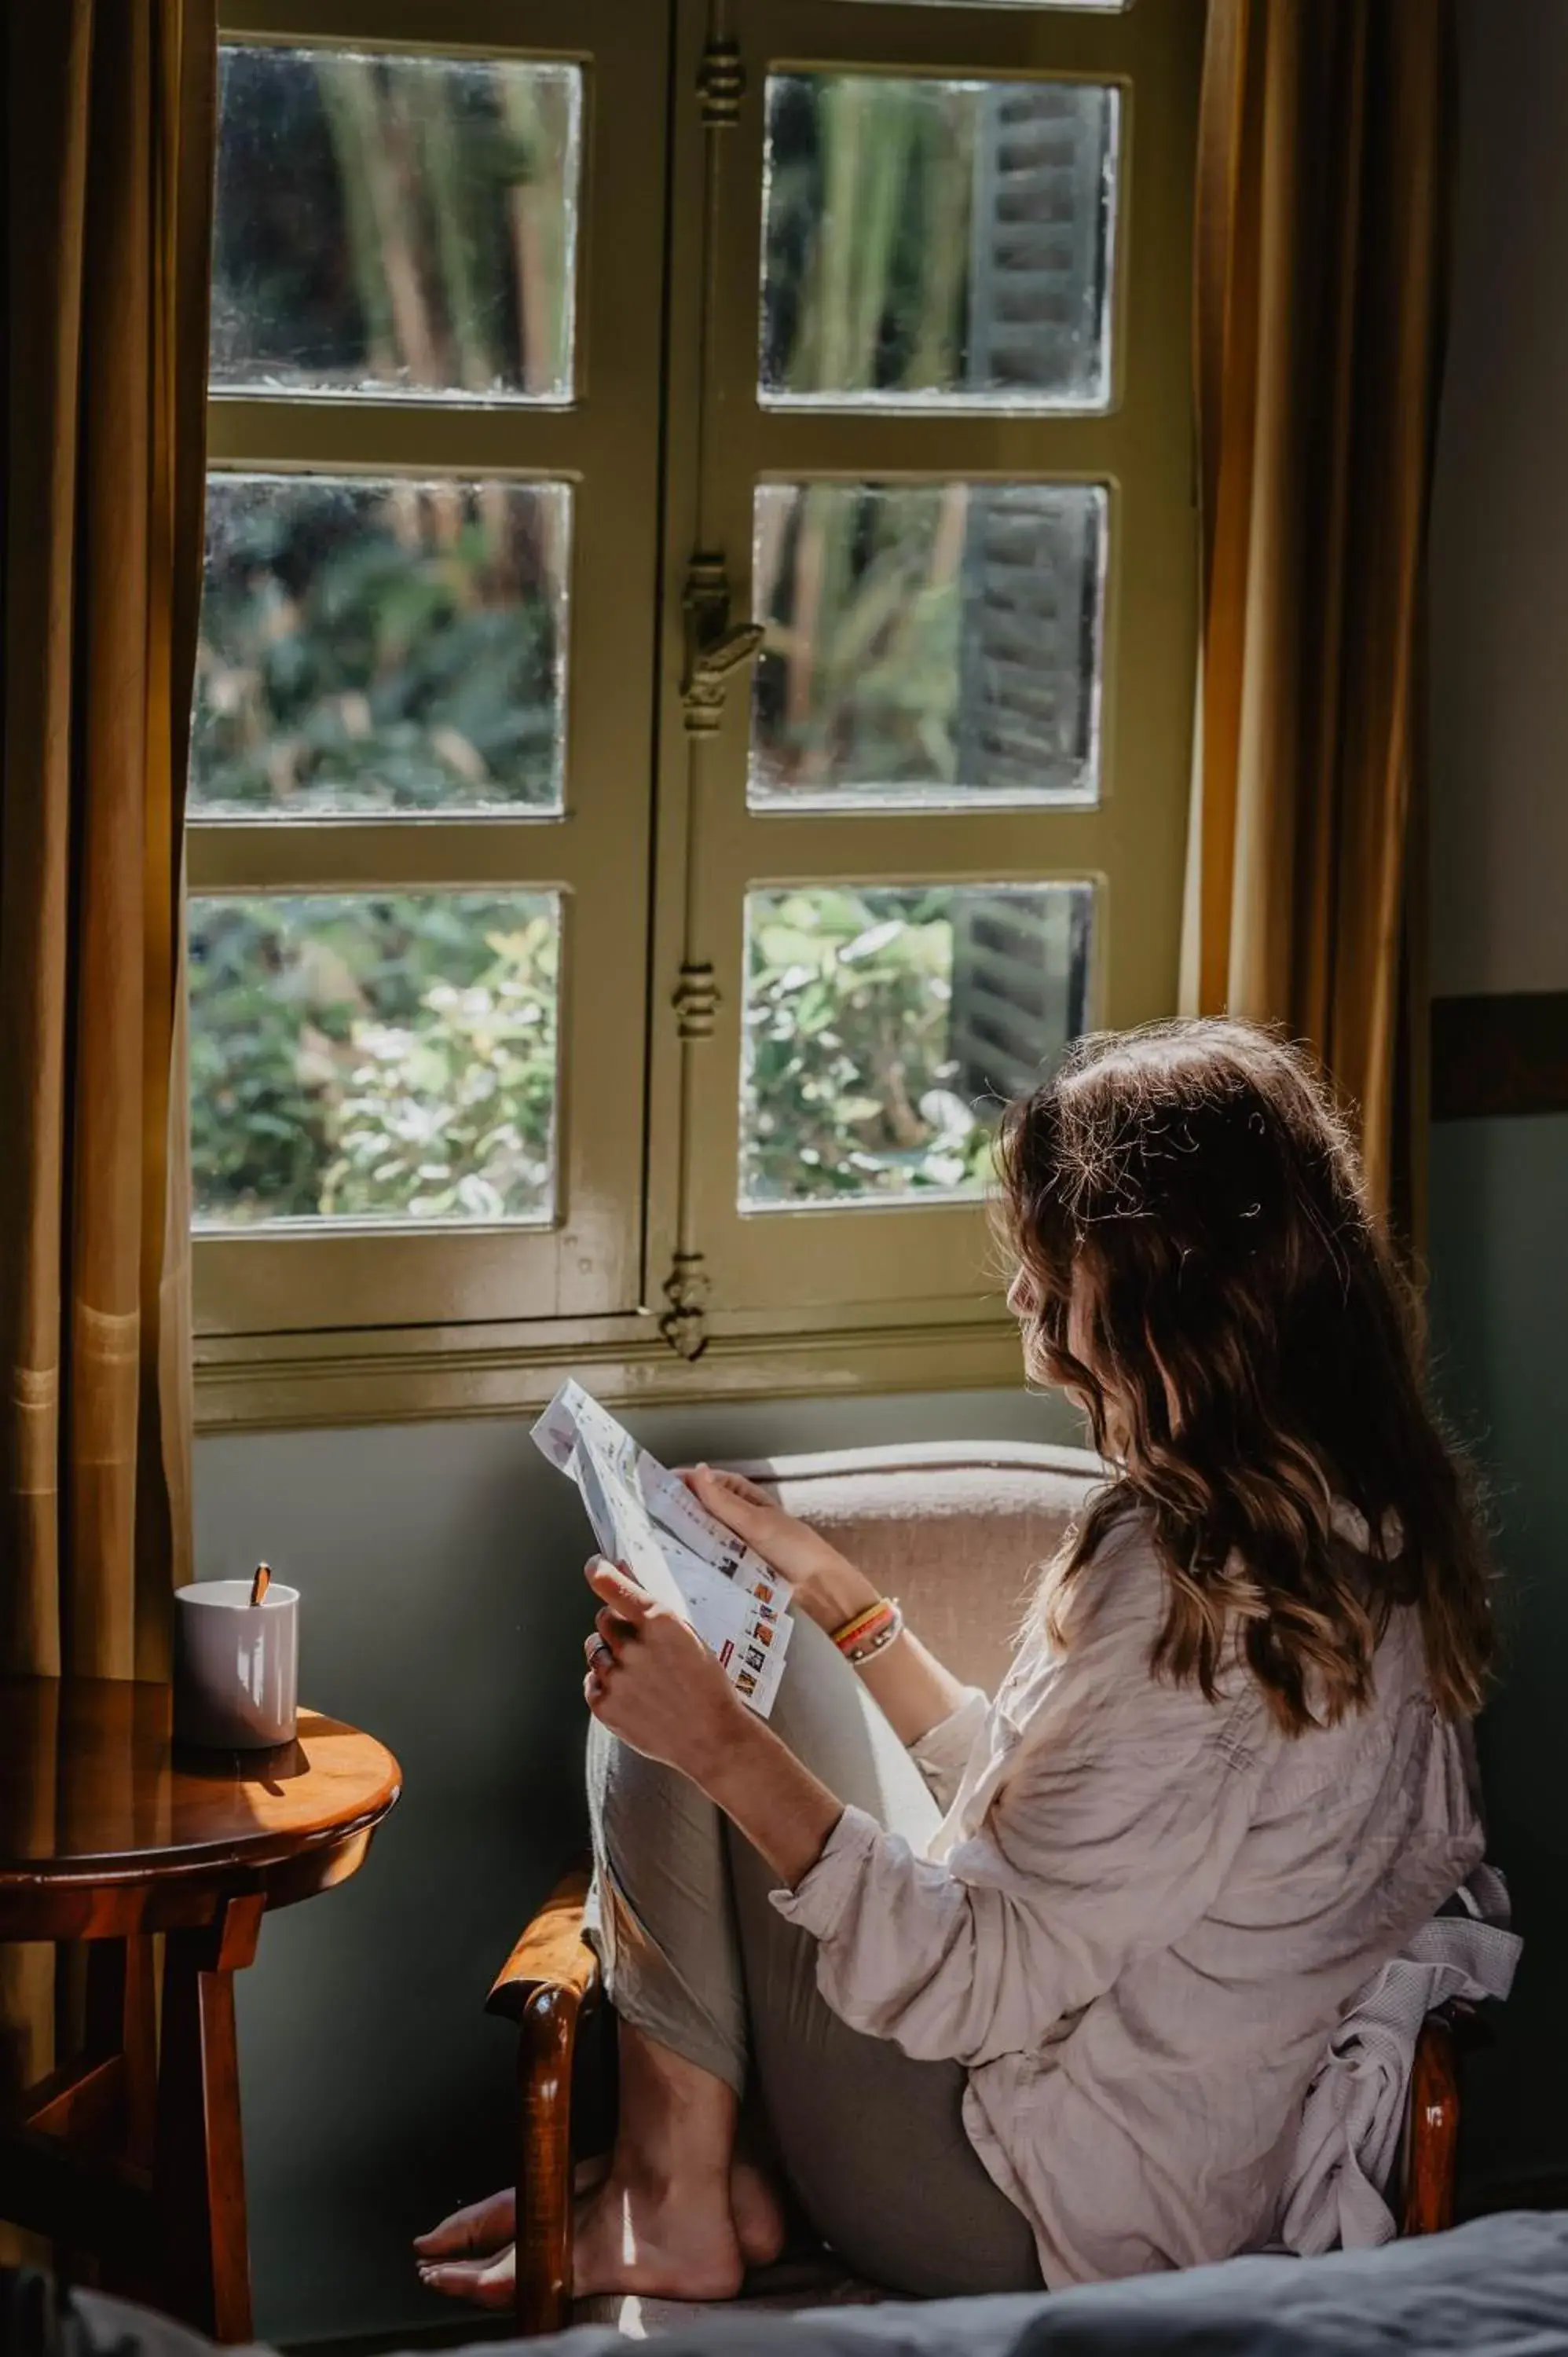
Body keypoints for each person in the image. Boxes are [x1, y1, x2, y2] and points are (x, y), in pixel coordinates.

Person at [416, 1018, 1493, 2308]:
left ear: (1165, 1280)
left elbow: (985, 1977)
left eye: (1052, 1259)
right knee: (732, 1642)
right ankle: (707, 2175)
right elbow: (1075, 1833)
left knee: (666, 1667)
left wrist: (711, 1737)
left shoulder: (1194, 1582)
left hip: (1032, 2212)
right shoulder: (1353, 1522)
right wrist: (840, 1598)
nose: (1026, 1298)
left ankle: (674, 2191)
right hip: (1157, 2154)